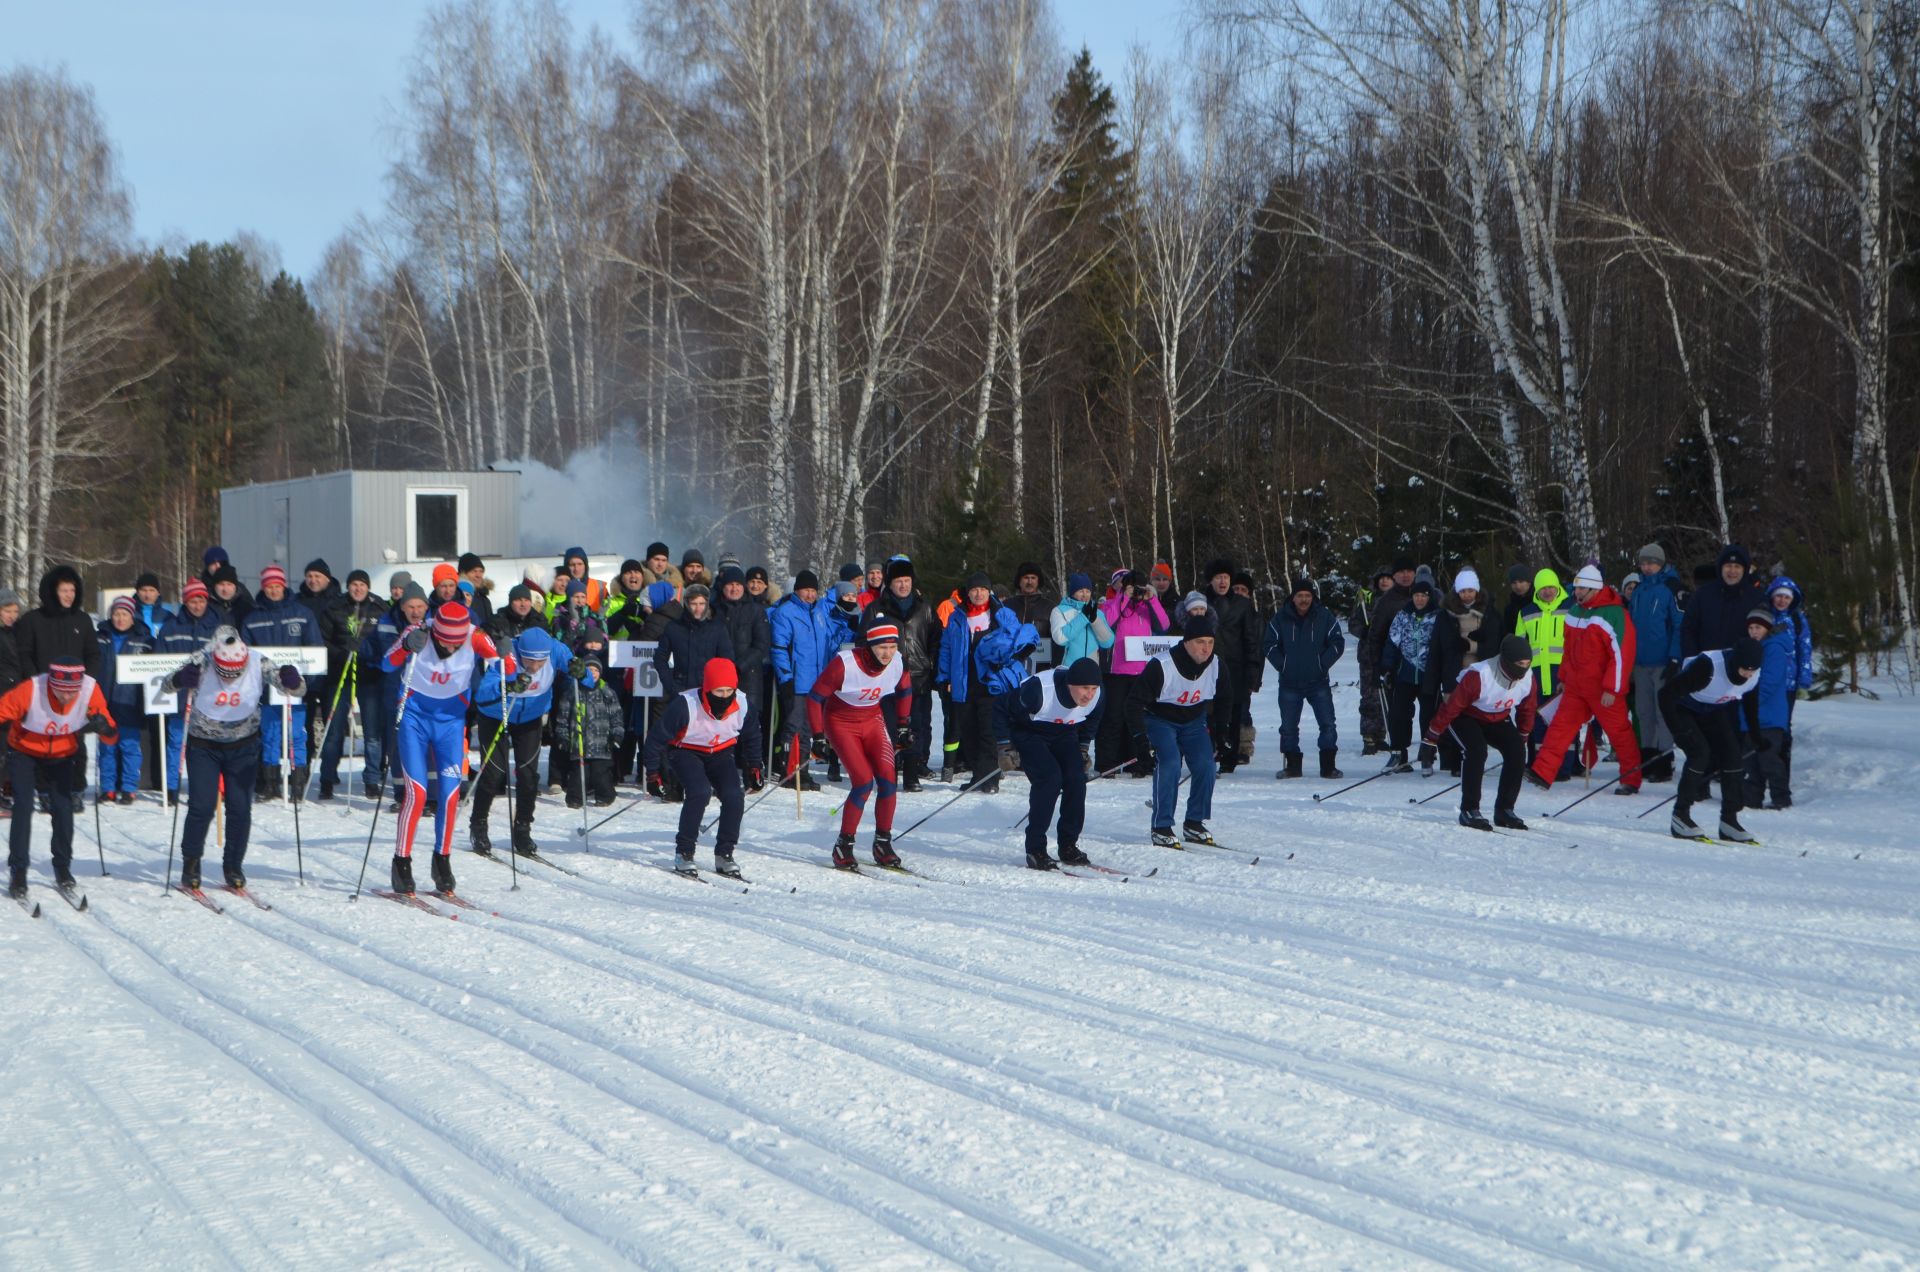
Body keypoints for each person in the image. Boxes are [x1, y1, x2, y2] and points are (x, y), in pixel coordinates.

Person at [162, 629, 305, 891]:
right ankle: (191, 863)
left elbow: (295, 689)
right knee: (201, 807)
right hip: (204, 744)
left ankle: (233, 865)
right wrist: (182, 678)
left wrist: (292, 680)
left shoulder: (257, 661)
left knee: (240, 808)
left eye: (235, 673)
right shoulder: (202, 660)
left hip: (244, 745)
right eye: (224, 673)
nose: (229, 678)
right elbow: (166, 683)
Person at [385, 601, 512, 896]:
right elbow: (386, 662)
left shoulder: (475, 636)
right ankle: (401, 861)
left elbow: (509, 667)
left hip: (451, 724)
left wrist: (505, 652)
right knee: (416, 794)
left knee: (451, 794)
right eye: (445, 642)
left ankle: (442, 860)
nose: (451, 648)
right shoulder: (419, 631)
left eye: (456, 644)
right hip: (414, 720)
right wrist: (406, 646)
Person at [1525, 564, 1643, 793]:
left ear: (1595, 589)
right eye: (1576, 588)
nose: (1577, 593)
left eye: (1582, 589)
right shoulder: (1576, 612)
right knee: (1559, 727)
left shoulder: (1615, 614)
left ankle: (1631, 778)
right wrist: (1564, 677)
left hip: (1603, 689)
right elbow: (1568, 650)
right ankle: (1543, 772)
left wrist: (1612, 688)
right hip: (1576, 686)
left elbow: (1621, 654)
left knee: (1619, 732)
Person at [2, 663, 115, 899]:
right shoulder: (30, 689)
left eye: (72, 691)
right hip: (24, 751)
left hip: (62, 754)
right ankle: (19, 871)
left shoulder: (90, 690)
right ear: (50, 684)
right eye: (60, 690)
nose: (66, 696)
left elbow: (112, 735)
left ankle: (62, 867)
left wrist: (104, 728)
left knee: (63, 807)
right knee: (23, 806)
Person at [645, 656, 763, 877]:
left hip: (720, 753)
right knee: (699, 793)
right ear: (707, 688)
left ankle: (724, 853)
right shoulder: (685, 705)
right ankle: (684, 852)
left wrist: (754, 767)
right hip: (686, 751)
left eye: (730, 691)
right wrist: (653, 774)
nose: (725, 697)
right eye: (719, 692)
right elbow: (655, 740)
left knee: (734, 796)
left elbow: (753, 735)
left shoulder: (744, 704)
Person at [807, 621, 912, 869]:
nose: (888, 653)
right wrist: (819, 736)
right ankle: (844, 845)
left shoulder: (898, 661)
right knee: (863, 781)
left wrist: (904, 725)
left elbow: (905, 690)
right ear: (870, 646)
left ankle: (882, 842)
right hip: (841, 722)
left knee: (888, 779)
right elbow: (814, 698)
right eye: (882, 647)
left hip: (872, 720)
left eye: (892, 646)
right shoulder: (845, 664)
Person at [1129, 611, 1232, 848]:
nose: (1206, 649)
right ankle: (1161, 825)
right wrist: (1139, 738)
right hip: (1160, 720)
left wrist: (1222, 730)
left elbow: (1226, 698)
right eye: (1199, 642)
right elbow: (1133, 702)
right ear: (1186, 643)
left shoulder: (1217, 665)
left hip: (1194, 721)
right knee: (1171, 764)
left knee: (1206, 765)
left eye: (1210, 642)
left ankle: (1194, 822)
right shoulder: (1162, 665)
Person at [470, 625, 568, 858]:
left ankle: (522, 828)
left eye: (540, 662)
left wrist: (582, 670)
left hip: (530, 718)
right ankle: (479, 825)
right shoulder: (505, 654)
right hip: (496, 715)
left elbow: (581, 669)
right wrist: (508, 686)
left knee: (527, 775)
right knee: (494, 774)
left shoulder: (554, 649)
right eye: (529, 661)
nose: (534, 667)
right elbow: (482, 694)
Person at [1423, 635, 1539, 831]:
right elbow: (1452, 707)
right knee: (1476, 751)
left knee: (1517, 752)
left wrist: (1522, 735)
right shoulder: (1480, 675)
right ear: (1507, 661)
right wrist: (1431, 738)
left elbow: (1528, 708)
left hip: (1497, 717)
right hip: (1466, 716)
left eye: (1527, 663)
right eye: (1520, 663)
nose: (1524, 668)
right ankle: (1469, 809)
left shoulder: (1528, 678)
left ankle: (1504, 809)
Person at [1660, 636, 1766, 843]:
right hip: (1684, 707)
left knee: (1733, 757)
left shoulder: (1754, 673)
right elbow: (1665, 695)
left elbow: (1751, 703)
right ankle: (1680, 816)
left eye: (1752, 670)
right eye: (1744, 669)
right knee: (1700, 754)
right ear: (1736, 662)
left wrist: (1756, 735)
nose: (1748, 674)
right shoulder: (1708, 667)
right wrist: (1678, 732)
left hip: (1712, 708)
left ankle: (1729, 820)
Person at [936, 573, 1031, 794]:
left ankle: (991, 779)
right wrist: (943, 677)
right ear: (967, 593)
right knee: (969, 732)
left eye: (983, 589)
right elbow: (947, 649)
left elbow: (1016, 643)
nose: (979, 594)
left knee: (989, 732)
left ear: (989, 592)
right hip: (964, 682)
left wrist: (1005, 661)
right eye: (974, 590)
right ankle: (978, 777)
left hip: (992, 683)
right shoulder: (957, 616)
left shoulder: (1002, 614)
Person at [1008, 657, 1104, 869]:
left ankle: (1068, 845)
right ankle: (1036, 849)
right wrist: (1004, 745)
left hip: (1064, 733)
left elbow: (1092, 720)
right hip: (1030, 732)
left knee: (1076, 779)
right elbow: (1003, 710)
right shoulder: (1040, 689)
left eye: (1094, 688)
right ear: (1070, 684)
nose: (1089, 694)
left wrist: (1083, 746)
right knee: (1050, 779)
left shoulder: (1096, 698)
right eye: (1084, 688)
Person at [242, 565, 324, 803]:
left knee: (296, 734)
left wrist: (307, 683)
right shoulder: (252, 618)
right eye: (269, 587)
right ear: (263, 588)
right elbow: (246, 655)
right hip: (267, 690)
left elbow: (315, 650)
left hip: (295, 689)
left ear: (284, 586)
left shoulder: (302, 613)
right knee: (270, 734)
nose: (274, 590)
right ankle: (270, 783)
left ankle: (298, 782)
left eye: (277, 586)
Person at [862, 557, 938, 791]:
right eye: (898, 581)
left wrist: (931, 665)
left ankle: (912, 774)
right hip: (887, 681)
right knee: (889, 728)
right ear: (890, 583)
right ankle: (889, 773)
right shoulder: (876, 609)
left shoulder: (925, 607)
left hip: (918, 677)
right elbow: (862, 642)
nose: (903, 585)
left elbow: (936, 640)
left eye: (907, 581)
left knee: (915, 726)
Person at [316, 570, 389, 800]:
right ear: (348, 587)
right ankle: (327, 777)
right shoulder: (335, 607)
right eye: (354, 584)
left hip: (370, 676)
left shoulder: (379, 608)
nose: (358, 589)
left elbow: (386, 640)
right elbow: (323, 640)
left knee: (372, 732)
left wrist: (370, 655)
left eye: (362, 585)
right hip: (339, 675)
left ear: (368, 587)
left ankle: (372, 779)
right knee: (334, 730)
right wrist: (341, 654)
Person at [1264, 577, 1344, 780]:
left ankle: (1328, 767)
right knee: (1288, 727)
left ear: (1313, 597)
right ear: (1293, 597)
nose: (1304, 599)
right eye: (1300, 595)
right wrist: (1283, 665)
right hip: (1289, 682)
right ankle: (1292, 766)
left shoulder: (1324, 616)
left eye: (1308, 596)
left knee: (1328, 724)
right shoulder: (1280, 618)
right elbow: (1269, 644)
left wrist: (1322, 663)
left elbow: (1337, 642)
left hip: (1318, 681)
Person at [155, 580, 222, 806]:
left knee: (206, 746)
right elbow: (159, 661)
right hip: (180, 697)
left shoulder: (217, 628)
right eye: (193, 601)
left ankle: (204, 787)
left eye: (201, 600)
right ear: (186, 602)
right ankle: (172, 787)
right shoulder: (171, 628)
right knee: (177, 742)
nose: (197, 605)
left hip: (209, 700)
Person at [364, 584, 429, 810]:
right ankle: (402, 793)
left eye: (420, 606)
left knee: (425, 745)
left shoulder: (432, 626)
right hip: (395, 690)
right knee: (398, 743)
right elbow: (376, 653)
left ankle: (428, 795)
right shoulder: (386, 622)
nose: (415, 611)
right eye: (411, 606)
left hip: (424, 694)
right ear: (402, 607)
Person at [769, 570, 835, 791]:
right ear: (797, 590)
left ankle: (802, 771)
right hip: (797, 681)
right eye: (806, 590)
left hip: (818, 681)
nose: (810, 594)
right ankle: (790, 772)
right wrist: (786, 677)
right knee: (794, 727)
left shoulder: (819, 612)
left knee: (809, 728)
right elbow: (779, 648)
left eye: (813, 590)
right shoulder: (786, 612)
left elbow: (827, 643)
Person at [1098, 570, 1169, 776]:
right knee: (1113, 717)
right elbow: (1107, 623)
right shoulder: (1110, 604)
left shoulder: (1145, 606)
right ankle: (1107, 762)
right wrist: (1123, 598)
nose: (1128, 586)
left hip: (1142, 670)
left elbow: (1164, 625)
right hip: (1116, 669)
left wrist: (1151, 600)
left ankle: (1137, 761)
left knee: (1137, 718)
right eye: (1122, 583)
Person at [1423, 568, 1487, 776]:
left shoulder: (1487, 611)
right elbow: (1436, 649)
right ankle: (1452, 762)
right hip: (1453, 673)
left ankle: (1473, 759)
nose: (1467, 595)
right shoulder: (1445, 615)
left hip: (1479, 673)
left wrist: (1478, 647)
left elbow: (1495, 641)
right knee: (1452, 716)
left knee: (1476, 719)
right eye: (1463, 591)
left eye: (1471, 590)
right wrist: (1432, 681)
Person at [1627, 543, 1683, 782]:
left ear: (1660, 564)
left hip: (1662, 661)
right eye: (1644, 563)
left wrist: (1674, 657)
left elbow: (1679, 624)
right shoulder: (1638, 591)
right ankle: (1647, 756)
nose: (1647, 567)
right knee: (1643, 712)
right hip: (1639, 662)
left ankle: (1664, 759)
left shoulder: (1670, 589)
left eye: (1652, 563)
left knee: (1662, 713)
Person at [1202, 558, 1262, 772]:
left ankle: (1230, 758)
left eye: (1226, 577)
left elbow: (1251, 640)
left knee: (1234, 715)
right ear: (1211, 580)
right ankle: (1208, 755)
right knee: (1207, 714)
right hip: (1206, 668)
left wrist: (1253, 671)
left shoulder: (1242, 604)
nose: (1223, 582)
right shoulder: (1201, 602)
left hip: (1235, 668)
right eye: (1218, 577)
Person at [94, 598, 154, 805]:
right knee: (107, 748)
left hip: (131, 701)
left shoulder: (144, 640)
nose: (120, 619)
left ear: (132, 616)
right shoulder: (101, 637)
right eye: (116, 614)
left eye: (124, 615)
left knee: (129, 747)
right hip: (105, 701)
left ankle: (129, 788)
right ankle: (108, 788)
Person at [1379, 577, 1440, 774]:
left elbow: (1444, 646)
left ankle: (1427, 755)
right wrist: (1387, 667)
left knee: (1428, 715)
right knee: (1398, 714)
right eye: (1416, 595)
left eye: (1423, 596)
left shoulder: (1437, 616)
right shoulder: (1403, 616)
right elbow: (1392, 642)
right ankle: (1398, 753)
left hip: (1428, 675)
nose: (1420, 599)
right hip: (1404, 674)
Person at [552, 649, 625, 808]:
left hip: (601, 742)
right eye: (589, 670)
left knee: (601, 773)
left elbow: (616, 716)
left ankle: (605, 796)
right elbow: (563, 716)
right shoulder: (573, 691)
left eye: (596, 670)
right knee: (578, 774)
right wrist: (563, 736)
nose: (592, 673)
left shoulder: (607, 692)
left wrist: (617, 734)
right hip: (580, 742)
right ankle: (575, 798)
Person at [1741, 606, 1796, 810]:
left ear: (1767, 628)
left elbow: (1769, 682)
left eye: (1758, 627)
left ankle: (1781, 797)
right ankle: (1751, 797)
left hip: (1769, 716)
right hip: (1749, 717)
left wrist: (1748, 701)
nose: (1754, 631)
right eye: (1751, 627)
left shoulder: (1773, 648)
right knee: (1750, 761)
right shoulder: (1749, 647)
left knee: (1769, 759)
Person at [1516, 567, 1569, 768]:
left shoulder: (1570, 607)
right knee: (1537, 721)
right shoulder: (1527, 612)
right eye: (1543, 588)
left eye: (1551, 587)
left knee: (1563, 721)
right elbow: (1519, 645)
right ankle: (1540, 765)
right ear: (1536, 590)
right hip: (1535, 675)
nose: (1548, 592)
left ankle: (1565, 765)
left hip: (1562, 674)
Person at [14, 564, 101, 680]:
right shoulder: (32, 620)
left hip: (76, 688)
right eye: (64, 591)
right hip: (42, 687)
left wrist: (87, 681)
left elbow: (93, 654)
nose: (69, 595)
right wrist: (36, 681)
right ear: (52, 592)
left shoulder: (83, 620)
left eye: (72, 590)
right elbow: (24, 655)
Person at [1680, 544, 1766, 658]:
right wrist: (1692, 658)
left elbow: (1765, 633)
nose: (1732, 571)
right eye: (1728, 565)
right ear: (1720, 567)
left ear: (1744, 569)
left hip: (1744, 668)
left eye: (1737, 566)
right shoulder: (1703, 594)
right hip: (1706, 665)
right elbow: (1688, 629)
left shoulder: (1757, 597)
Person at [655, 582, 734, 694]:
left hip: (709, 692)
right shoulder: (673, 628)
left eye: (701, 604)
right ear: (686, 604)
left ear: (707, 604)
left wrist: (717, 688)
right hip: (681, 690)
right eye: (694, 604)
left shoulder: (718, 629)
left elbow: (727, 662)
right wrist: (671, 685)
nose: (698, 608)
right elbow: (660, 658)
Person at [1348, 565, 1394, 755]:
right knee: (1369, 697)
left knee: (1388, 696)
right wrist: (1364, 632)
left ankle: (1381, 734)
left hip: (1389, 656)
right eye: (1381, 578)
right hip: (1368, 656)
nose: (1384, 581)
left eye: (1388, 578)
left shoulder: (1397, 602)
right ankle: (1369, 736)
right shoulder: (1367, 603)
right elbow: (1353, 624)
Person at [131, 572, 173, 639]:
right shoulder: (129, 614)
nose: (147, 595)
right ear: (137, 592)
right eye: (144, 590)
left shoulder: (167, 616)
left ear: (158, 592)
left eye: (151, 590)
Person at [1500, 565, 1533, 640]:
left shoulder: (1539, 603)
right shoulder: (1509, 609)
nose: (1518, 586)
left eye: (1521, 581)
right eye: (1514, 583)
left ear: (1529, 582)